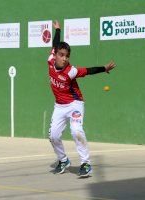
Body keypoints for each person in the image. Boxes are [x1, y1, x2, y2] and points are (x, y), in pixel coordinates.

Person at [48, 20, 115, 177]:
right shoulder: (50, 60)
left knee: (76, 131)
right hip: (59, 106)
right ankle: (63, 160)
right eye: (61, 55)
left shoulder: (71, 71)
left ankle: (86, 163)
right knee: (53, 136)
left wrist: (104, 68)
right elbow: (56, 43)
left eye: (67, 56)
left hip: (74, 104)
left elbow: (89, 71)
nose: (64, 58)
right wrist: (58, 29)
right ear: (55, 54)